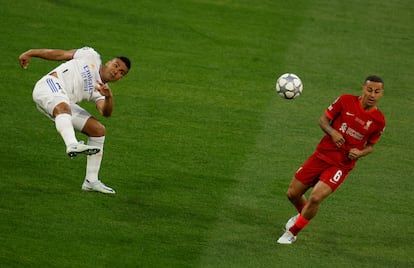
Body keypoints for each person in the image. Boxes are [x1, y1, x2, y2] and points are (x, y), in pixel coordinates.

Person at [277, 75, 386, 244]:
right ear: (363, 89)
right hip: (322, 154)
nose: (372, 94)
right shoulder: (345, 101)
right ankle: (303, 214)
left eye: (377, 91)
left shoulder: (379, 121)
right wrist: (333, 132)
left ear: (381, 94)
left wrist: (359, 153)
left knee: (315, 198)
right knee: (292, 194)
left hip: (341, 165)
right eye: (369, 90)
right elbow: (323, 120)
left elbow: (370, 146)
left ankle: (292, 232)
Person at [19, 47, 131, 194]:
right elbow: (60, 54)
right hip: (49, 86)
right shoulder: (91, 56)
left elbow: (105, 112)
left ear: (120, 78)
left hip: (62, 101)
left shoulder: (101, 90)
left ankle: (91, 181)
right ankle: (72, 144)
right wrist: (31, 52)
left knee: (98, 130)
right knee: (64, 106)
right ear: (109, 62)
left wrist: (109, 97)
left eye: (121, 72)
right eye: (116, 65)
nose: (116, 71)